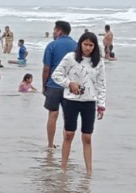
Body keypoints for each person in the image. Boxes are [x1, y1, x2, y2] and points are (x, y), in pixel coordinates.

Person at [51, 31, 107, 174]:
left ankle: (89, 171)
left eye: (91, 45)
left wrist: (101, 105)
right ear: (80, 44)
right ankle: (63, 168)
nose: (87, 48)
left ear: (94, 46)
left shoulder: (99, 62)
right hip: (71, 100)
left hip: (89, 101)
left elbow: (101, 84)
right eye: (85, 44)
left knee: (87, 137)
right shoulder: (70, 58)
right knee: (69, 134)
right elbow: (56, 74)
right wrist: (69, 83)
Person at [42, 20, 78, 149]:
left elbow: (46, 68)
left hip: (54, 84)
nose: (52, 33)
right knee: (68, 117)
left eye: (54, 30)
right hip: (71, 85)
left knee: (53, 114)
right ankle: (66, 145)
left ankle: (50, 144)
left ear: (59, 31)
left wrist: (44, 85)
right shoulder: (77, 45)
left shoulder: (52, 45)